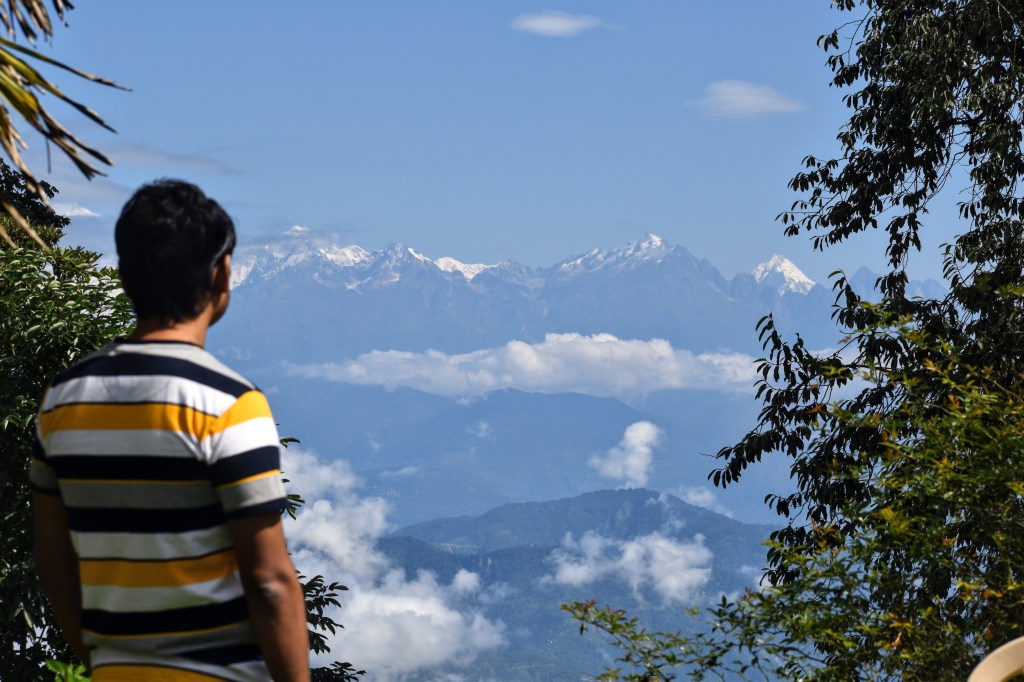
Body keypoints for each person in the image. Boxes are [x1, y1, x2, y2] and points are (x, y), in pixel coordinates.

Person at [30, 180, 310, 681]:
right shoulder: (230, 404)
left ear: (122, 276)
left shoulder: (61, 400)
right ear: (221, 275)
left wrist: (104, 662)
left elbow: (52, 560)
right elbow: (269, 582)